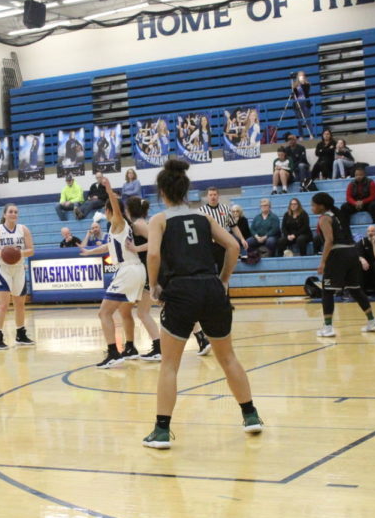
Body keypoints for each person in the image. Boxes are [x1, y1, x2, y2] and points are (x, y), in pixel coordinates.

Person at [142, 159, 263, 449]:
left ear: (162, 192)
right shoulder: (204, 217)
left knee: (170, 364)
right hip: (210, 288)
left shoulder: (159, 220)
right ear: (185, 191)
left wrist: (154, 285)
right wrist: (223, 279)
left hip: (181, 290)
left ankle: (161, 431)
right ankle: (251, 415)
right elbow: (233, 246)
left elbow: (154, 255)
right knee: (228, 357)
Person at [80, 178, 146, 368]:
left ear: (108, 211)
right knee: (124, 311)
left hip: (128, 270)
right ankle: (130, 347)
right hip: (133, 270)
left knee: (104, 313)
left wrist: (108, 189)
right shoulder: (116, 230)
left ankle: (113, 353)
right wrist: (89, 252)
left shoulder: (118, 222)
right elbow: (108, 248)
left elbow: (116, 207)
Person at [311, 192, 375, 337]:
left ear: (321, 206)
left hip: (338, 255)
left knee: (327, 290)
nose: (311, 208)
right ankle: (372, 321)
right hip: (352, 252)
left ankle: (328, 327)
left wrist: (323, 262)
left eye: (313, 205)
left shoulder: (324, 218)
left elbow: (329, 240)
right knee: (355, 289)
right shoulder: (339, 214)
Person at [0, 204, 35, 349]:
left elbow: (31, 251)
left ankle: (21, 335)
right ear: (5, 214)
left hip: (18, 268)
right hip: (2, 269)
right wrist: (2, 252)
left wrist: (18, 253)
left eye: (16, 212)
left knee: (20, 304)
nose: (13, 214)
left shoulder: (23, 230)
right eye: (10, 211)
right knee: (3, 304)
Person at [126, 196, 162, 361]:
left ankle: (158, 347)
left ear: (130, 210)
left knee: (143, 312)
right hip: (150, 268)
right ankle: (201, 338)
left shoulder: (139, 224)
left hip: (153, 268)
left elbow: (157, 242)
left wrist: (136, 248)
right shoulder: (137, 224)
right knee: (169, 306)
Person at [199, 187, 247, 268]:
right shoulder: (201, 211)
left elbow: (233, 226)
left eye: (214, 194)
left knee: (223, 269)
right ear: (207, 196)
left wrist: (242, 239)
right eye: (210, 195)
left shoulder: (225, 208)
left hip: (223, 244)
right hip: (209, 244)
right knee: (209, 270)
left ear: (218, 196)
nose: (213, 197)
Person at [292, 70, 312, 138]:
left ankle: (310, 134)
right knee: (299, 121)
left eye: (302, 75)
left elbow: (306, 92)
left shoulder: (307, 84)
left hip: (305, 103)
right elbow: (294, 95)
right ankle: (301, 135)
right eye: (300, 75)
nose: (301, 77)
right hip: (297, 103)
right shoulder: (295, 84)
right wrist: (294, 87)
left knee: (307, 119)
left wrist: (303, 83)